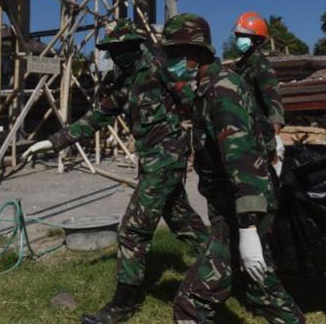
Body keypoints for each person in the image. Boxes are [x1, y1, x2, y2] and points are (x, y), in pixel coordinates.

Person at [22, 19, 208, 324]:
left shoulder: (159, 66)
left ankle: (122, 306)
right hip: (151, 160)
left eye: (122, 49)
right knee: (183, 221)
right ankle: (230, 266)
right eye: (112, 50)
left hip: (166, 158)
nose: (117, 55)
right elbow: (96, 118)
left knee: (132, 231)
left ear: (135, 46)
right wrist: (52, 142)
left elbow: (197, 101)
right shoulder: (124, 80)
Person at [162, 14, 304, 324]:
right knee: (256, 281)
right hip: (233, 203)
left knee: (193, 299)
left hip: (244, 205)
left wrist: (249, 228)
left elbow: (243, 163)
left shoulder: (222, 91)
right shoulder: (208, 88)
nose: (168, 61)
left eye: (173, 54)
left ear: (194, 54)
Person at [231, 12, 286, 177]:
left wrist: (275, 129)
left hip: (261, 131)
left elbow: (272, 96)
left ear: (257, 40)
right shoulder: (241, 66)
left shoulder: (260, 65)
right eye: (237, 35)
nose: (238, 39)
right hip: (245, 128)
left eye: (243, 36)